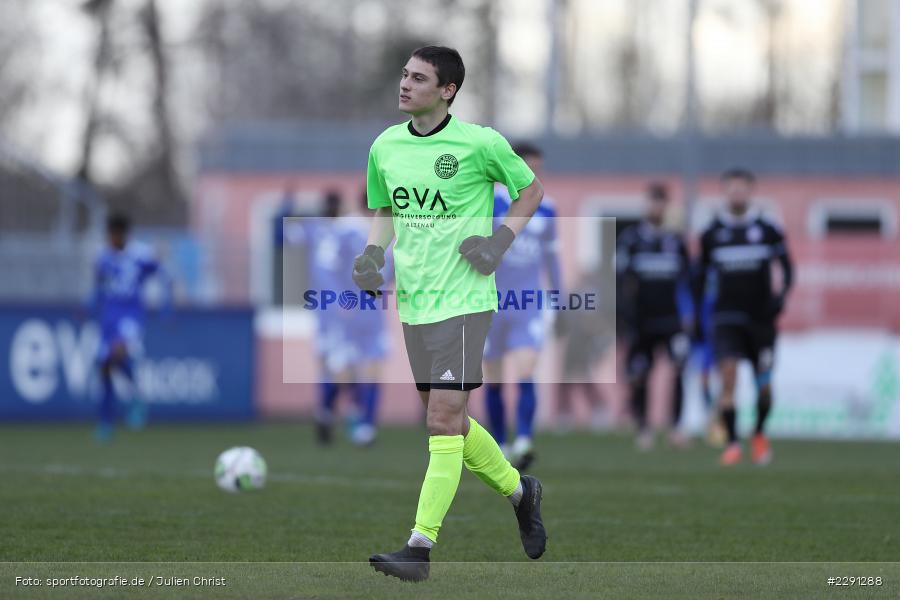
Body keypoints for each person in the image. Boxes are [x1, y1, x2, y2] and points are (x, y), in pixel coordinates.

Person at [353, 46, 547, 581]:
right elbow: (387, 208)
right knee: (452, 423)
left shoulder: (479, 143)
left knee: (440, 422)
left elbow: (530, 190)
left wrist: (499, 241)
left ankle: (419, 548)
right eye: (405, 75)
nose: (405, 84)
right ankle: (519, 491)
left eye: (419, 78)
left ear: (448, 90)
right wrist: (374, 255)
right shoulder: (385, 146)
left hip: (465, 303)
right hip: (415, 304)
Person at [695, 168, 793, 466]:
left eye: (742, 189)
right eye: (731, 189)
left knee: (763, 386)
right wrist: (701, 316)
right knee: (728, 377)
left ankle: (760, 434)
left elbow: (788, 268)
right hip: (726, 318)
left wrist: (780, 298)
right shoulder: (711, 234)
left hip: (761, 320)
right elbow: (699, 277)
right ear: (725, 193)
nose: (737, 194)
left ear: (751, 192)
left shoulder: (767, 229)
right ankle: (733, 443)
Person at [286, 191, 389, 446]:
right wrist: (339, 298)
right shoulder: (345, 230)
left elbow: (391, 271)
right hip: (344, 313)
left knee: (368, 366)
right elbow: (322, 266)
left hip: (367, 312)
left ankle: (363, 424)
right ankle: (335, 413)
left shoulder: (386, 233)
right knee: (344, 369)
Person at [482, 142, 561, 470]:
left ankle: (525, 438)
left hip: (528, 303)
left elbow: (552, 258)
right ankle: (500, 442)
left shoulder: (547, 208)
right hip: (490, 303)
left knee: (527, 370)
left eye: (537, 169)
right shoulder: (489, 202)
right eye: (527, 168)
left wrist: (558, 300)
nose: (532, 175)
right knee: (495, 379)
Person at [616, 183, 692, 450]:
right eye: (652, 202)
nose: (655, 208)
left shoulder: (676, 242)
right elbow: (620, 281)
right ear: (645, 205)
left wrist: (689, 315)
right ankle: (644, 428)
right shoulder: (631, 240)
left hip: (672, 322)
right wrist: (624, 318)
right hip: (641, 321)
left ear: (666, 206)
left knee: (679, 370)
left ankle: (677, 427)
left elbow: (688, 281)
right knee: (640, 374)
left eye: (660, 202)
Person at [90, 213, 170, 442]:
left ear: (124, 234)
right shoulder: (102, 256)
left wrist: (166, 306)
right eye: (110, 235)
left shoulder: (141, 255)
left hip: (130, 317)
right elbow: (98, 286)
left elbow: (165, 275)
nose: (113, 239)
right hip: (109, 318)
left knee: (117, 352)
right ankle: (106, 423)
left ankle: (135, 397)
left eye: (116, 235)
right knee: (105, 367)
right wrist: (90, 305)